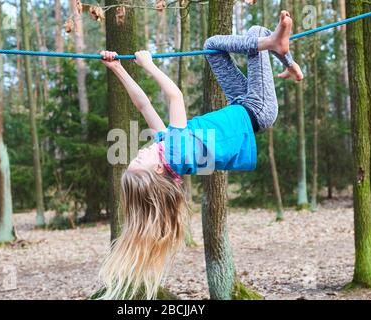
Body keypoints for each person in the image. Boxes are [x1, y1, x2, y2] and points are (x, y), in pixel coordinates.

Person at [97, 11, 303, 300]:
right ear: (157, 171)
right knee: (251, 37)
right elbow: (175, 97)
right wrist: (149, 66)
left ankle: (289, 62)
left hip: (240, 102)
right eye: (140, 160)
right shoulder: (177, 153)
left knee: (220, 46)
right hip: (257, 108)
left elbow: (144, 106)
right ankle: (281, 51)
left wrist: (117, 68)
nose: (140, 152)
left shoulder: (166, 150)